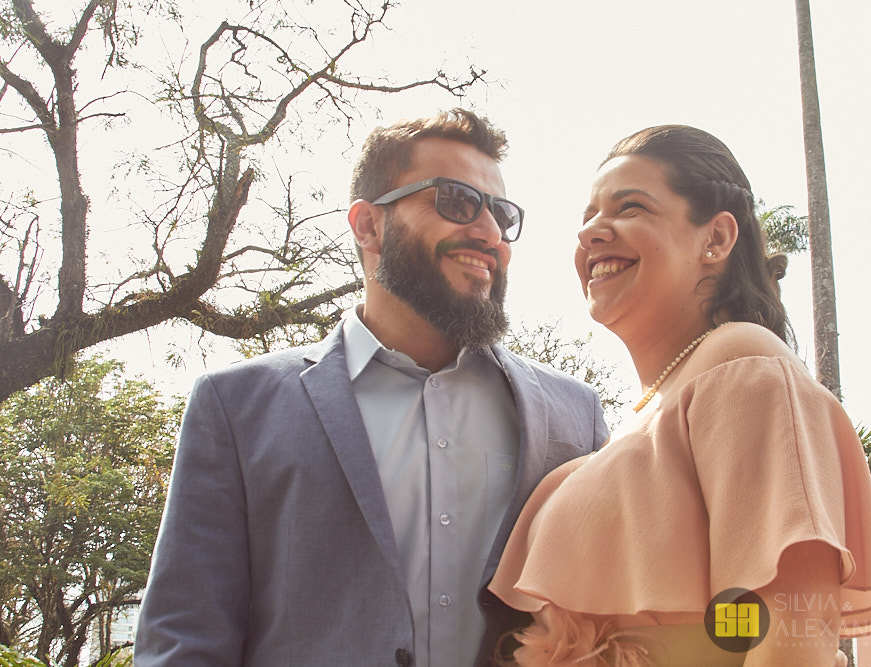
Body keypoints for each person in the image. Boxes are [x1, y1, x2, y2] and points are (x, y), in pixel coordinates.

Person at [134, 109, 609, 667]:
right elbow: (185, 637)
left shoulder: (573, 414)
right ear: (368, 226)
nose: (489, 233)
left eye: (501, 215)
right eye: (457, 201)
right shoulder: (236, 406)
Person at [488, 125, 871, 666]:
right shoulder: (640, 417)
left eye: (630, 208)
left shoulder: (744, 364)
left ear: (717, 239)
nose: (591, 232)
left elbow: (784, 628)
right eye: (588, 216)